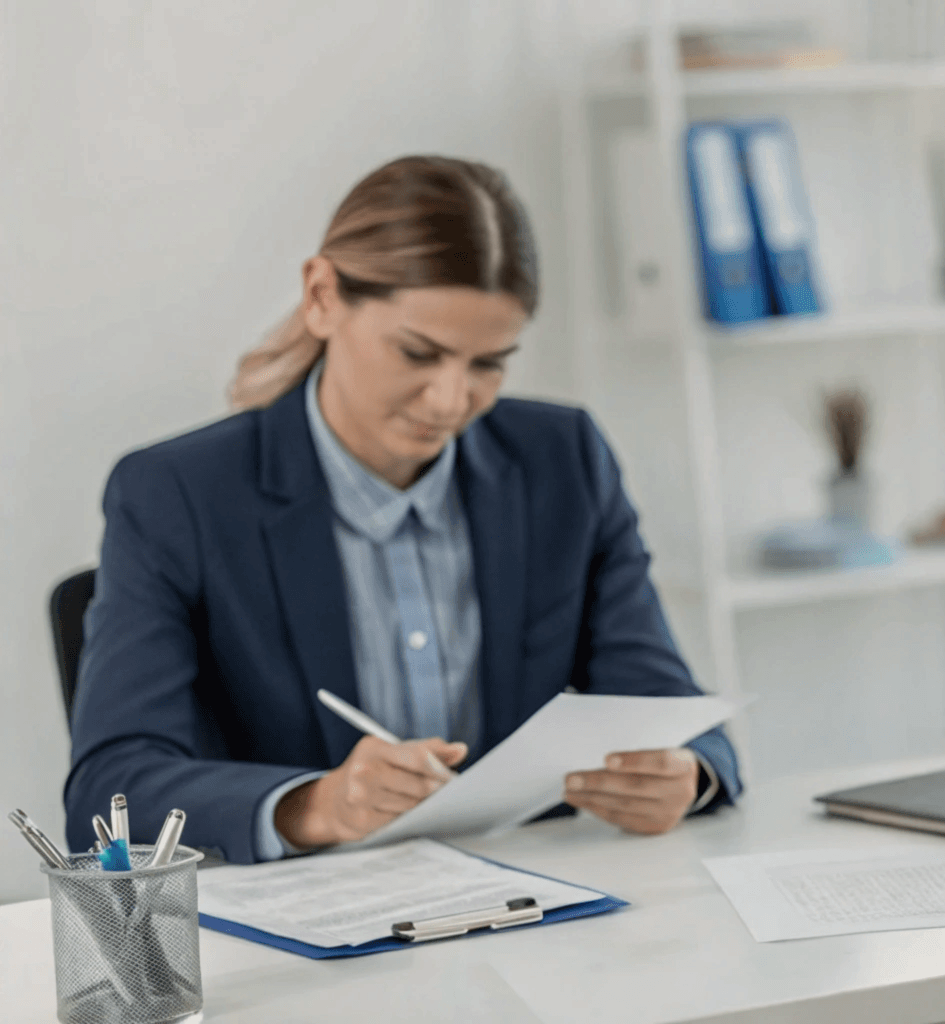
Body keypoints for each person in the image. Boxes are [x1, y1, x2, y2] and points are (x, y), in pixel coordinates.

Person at [64, 155, 741, 864]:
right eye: (419, 354)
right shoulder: (177, 494)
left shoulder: (562, 461)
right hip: (302, 934)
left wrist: (687, 775)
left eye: (488, 363)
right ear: (322, 295)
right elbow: (108, 792)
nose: (452, 401)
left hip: (530, 906)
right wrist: (316, 805)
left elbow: (672, 710)